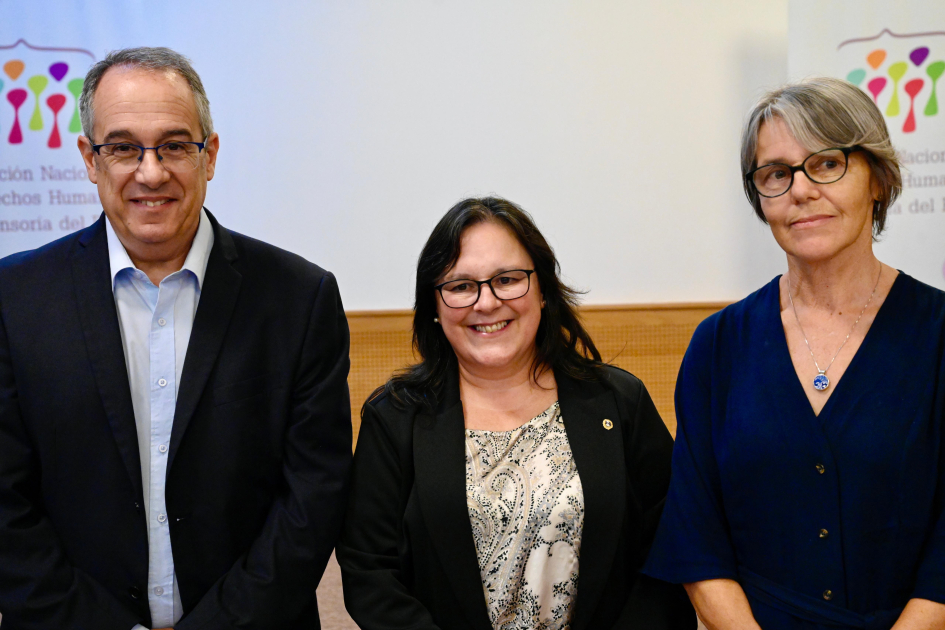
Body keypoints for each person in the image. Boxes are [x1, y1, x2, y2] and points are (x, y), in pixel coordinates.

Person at [0, 47, 352, 629]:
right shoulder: (16, 300)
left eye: (173, 145)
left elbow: (312, 500)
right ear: (90, 159)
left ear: (209, 155)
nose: (151, 172)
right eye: (122, 148)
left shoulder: (298, 298)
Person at [644, 77, 945, 629]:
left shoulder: (939, 334)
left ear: (877, 178)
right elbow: (697, 534)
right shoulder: (718, 347)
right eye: (777, 174)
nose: (801, 190)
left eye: (826, 163)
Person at [337, 196, 695, 630]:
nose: (486, 303)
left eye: (507, 279)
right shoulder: (394, 417)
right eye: (461, 285)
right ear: (434, 306)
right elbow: (370, 571)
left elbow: (669, 550)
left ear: (542, 290)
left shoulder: (619, 402)